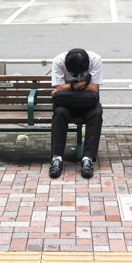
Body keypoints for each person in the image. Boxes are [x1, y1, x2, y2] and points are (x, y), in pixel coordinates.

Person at [49, 48, 103, 179]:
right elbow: (59, 87)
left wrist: (68, 86)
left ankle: (87, 158)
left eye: (81, 74)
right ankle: (56, 158)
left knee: (96, 113)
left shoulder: (95, 60)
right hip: (66, 104)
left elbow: (94, 88)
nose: (77, 76)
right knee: (60, 113)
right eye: (73, 74)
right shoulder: (58, 61)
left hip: (87, 103)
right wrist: (85, 83)